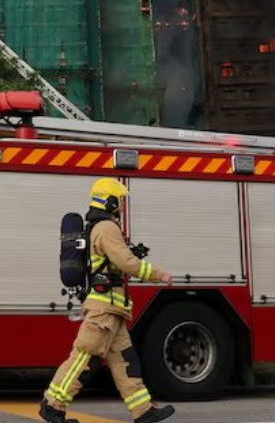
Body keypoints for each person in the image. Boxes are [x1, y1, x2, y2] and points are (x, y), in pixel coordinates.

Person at [41, 178, 176, 423]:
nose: (122, 205)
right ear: (109, 200)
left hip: (113, 308)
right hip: (104, 307)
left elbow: (113, 261)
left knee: (125, 361)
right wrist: (158, 274)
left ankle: (142, 410)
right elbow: (126, 263)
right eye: (120, 200)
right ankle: (53, 405)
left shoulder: (99, 227)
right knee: (84, 356)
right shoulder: (106, 227)